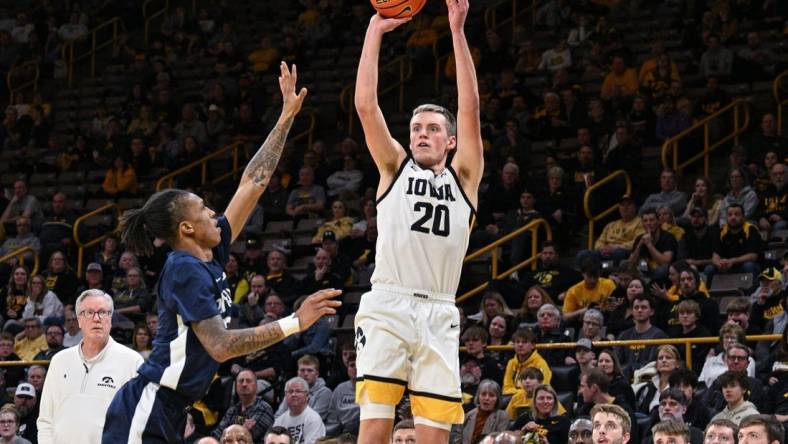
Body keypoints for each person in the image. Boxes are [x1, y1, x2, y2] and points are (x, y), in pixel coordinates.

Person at [102, 62, 342, 443]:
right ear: (186, 228)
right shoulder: (183, 268)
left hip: (170, 408)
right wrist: (296, 321)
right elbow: (221, 345)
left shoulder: (209, 251)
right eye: (202, 209)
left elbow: (254, 182)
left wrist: (285, 119)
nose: (214, 213)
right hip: (147, 404)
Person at [353, 1, 484, 441]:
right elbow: (367, 108)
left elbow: (470, 110)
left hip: (440, 310)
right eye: (415, 129)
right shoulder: (394, 168)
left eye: (431, 128)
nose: (420, 134)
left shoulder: (465, 177)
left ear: (449, 141)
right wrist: (375, 31)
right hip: (387, 306)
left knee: (434, 437)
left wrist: (458, 31)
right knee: (373, 432)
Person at [38, 289, 144, 443]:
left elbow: (140, 421)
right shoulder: (59, 361)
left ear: (110, 319)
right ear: (79, 320)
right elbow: (46, 420)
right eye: (89, 312)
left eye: (103, 312)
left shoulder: (132, 361)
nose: (96, 318)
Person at [211, 369, 274, 442]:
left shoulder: (264, 408)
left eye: (248, 381)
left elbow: (245, 439)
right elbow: (216, 434)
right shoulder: (233, 409)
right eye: (241, 381)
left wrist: (227, 435)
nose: (244, 384)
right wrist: (242, 429)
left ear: (256, 386)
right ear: (236, 386)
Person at [617, 294, 667, 371]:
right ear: (632, 311)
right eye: (636, 307)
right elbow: (617, 361)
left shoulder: (660, 336)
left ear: (652, 312)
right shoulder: (624, 335)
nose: (639, 310)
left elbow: (653, 363)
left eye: (644, 307)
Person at [450, 379, 508, 444]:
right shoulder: (469, 414)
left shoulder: (502, 416)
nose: (487, 398)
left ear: (497, 399)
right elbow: (457, 436)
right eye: (483, 394)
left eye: (491, 395)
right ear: (478, 396)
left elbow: (500, 439)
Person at [273, 376, 326, 444]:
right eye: (290, 391)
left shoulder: (313, 419)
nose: (294, 394)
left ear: (307, 396)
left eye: (298, 391)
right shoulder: (279, 421)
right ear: (285, 396)